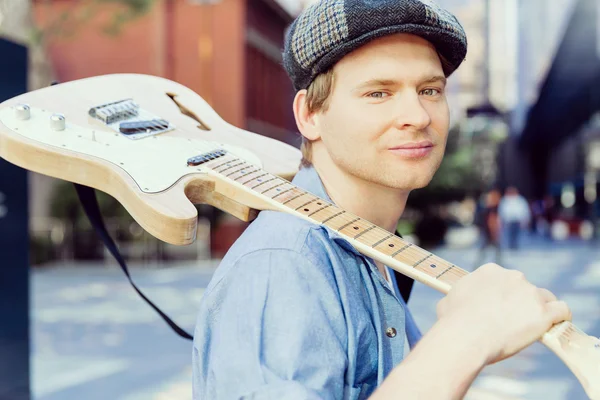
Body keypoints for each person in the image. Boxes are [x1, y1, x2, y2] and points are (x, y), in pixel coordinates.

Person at [192, 1, 571, 399]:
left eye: (429, 90)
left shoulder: (373, 251)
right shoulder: (284, 262)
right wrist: (465, 338)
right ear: (309, 115)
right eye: (378, 93)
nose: (418, 115)